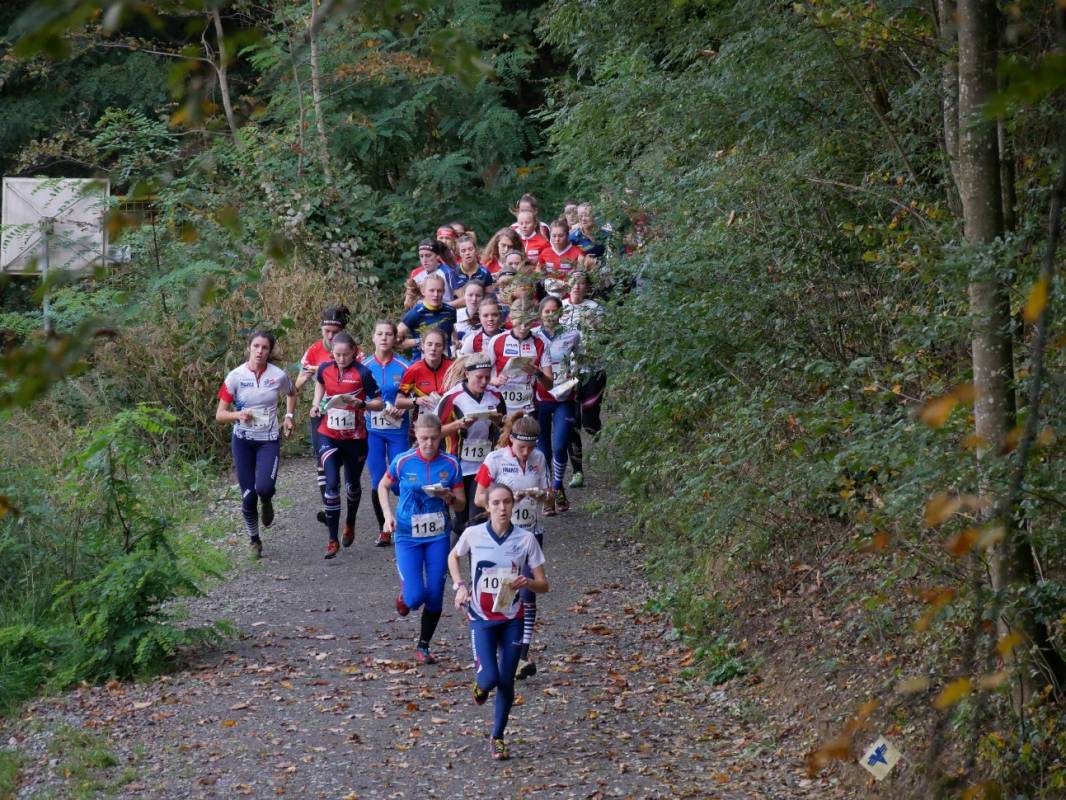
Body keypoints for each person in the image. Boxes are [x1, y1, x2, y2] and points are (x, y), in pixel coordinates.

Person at [448, 482, 548, 761]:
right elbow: (453, 557)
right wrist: (460, 587)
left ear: (513, 505)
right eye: (496, 503)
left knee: (506, 680)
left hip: (512, 618)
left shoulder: (526, 539)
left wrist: (527, 582)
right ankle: (480, 687)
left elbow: (544, 584)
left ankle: (498, 737)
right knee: (489, 678)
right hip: (481, 618)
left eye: (506, 502)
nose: (502, 508)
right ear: (487, 506)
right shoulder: (474, 534)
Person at [378, 412, 465, 664]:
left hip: (438, 535)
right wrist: (387, 516)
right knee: (416, 597)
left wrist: (449, 497)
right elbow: (383, 486)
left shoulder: (451, 464)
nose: (429, 444)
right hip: (408, 536)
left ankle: (424, 645)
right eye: (424, 438)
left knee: (435, 594)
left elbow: (461, 505)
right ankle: (405, 597)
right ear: (415, 435)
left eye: (434, 438)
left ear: (440, 437)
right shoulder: (403, 461)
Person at [474, 413, 549, 681]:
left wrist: (541, 496)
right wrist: (504, 500)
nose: (526, 452)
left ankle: (521, 656)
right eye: (521, 447)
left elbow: (550, 500)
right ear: (511, 440)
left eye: (531, 447)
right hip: (501, 535)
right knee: (503, 592)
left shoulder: (539, 459)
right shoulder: (495, 460)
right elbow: (479, 498)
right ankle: (497, 648)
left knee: (528, 590)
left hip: (530, 534)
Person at [216, 330, 296, 559]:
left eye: (265, 348)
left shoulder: (278, 375)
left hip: (268, 441)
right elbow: (220, 415)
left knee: (264, 489)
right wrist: (237, 415)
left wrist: (288, 416)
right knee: (248, 495)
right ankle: (254, 540)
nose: (260, 351)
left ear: (270, 351)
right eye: (256, 346)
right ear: (249, 347)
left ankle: (267, 501)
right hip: (243, 441)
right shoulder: (235, 377)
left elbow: (292, 392)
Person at [310, 332, 384, 559]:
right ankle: (332, 540)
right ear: (332, 353)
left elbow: (379, 403)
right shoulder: (324, 369)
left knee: (352, 486)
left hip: (355, 439)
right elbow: (320, 384)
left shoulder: (363, 373)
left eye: (345, 354)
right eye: (337, 355)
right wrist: (316, 404)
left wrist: (362, 404)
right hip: (328, 435)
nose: (341, 359)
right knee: (332, 485)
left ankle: (350, 522)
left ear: (354, 352)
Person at [436, 353, 505, 538]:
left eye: (488, 377)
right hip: (457, 465)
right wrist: (459, 425)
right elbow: (434, 432)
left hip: (483, 466)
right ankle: (455, 551)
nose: (484, 382)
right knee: (461, 522)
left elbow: (505, 428)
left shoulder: (495, 396)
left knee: (477, 519)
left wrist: (500, 423)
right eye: (479, 377)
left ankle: (475, 555)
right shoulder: (453, 397)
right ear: (467, 374)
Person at [295, 306, 351, 513]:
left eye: (335, 332)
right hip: (321, 411)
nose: (330, 336)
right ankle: (328, 506)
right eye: (326, 331)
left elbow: (358, 376)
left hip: (347, 411)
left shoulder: (352, 350)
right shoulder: (313, 350)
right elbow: (298, 382)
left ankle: (339, 496)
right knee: (322, 457)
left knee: (342, 459)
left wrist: (323, 369)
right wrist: (295, 386)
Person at [362, 320, 412, 547]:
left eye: (388, 334)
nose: (384, 338)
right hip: (373, 431)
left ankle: (408, 522)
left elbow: (414, 396)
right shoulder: (364, 366)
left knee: (399, 481)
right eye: (380, 334)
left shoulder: (404, 366)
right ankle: (384, 528)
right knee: (377, 480)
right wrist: (365, 405)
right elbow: (356, 395)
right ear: (373, 337)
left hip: (397, 431)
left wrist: (405, 407)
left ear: (395, 338)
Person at [533, 295, 581, 514]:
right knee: (544, 452)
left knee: (560, 446)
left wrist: (575, 378)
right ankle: (549, 495)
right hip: (540, 399)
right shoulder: (533, 335)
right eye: (547, 311)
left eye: (555, 311)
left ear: (562, 313)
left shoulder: (573, 334)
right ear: (540, 314)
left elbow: (582, 363)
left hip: (564, 397)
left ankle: (557, 486)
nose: (551, 315)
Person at [561, 273, 606, 488]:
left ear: (587, 287)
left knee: (588, 421)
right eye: (573, 282)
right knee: (572, 423)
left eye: (581, 283)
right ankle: (577, 471)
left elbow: (604, 336)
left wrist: (594, 326)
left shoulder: (595, 308)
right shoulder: (559, 307)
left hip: (592, 370)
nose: (577, 286)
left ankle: (596, 427)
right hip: (567, 374)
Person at [488, 300, 553, 416]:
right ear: (511, 318)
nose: (523, 328)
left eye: (528, 323)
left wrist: (538, 373)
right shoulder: (497, 340)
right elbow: (482, 375)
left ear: (533, 321)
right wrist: (495, 380)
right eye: (519, 323)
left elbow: (549, 385)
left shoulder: (541, 342)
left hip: (529, 407)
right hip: (501, 405)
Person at [398, 327, 454, 426]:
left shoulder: (452, 368)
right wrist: (416, 400)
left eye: (438, 345)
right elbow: (399, 402)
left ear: (443, 348)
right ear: (422, 346)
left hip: (448, 426)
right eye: (429, 344)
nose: (433, 348)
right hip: (422, 426)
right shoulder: (414, 370)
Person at [398, 273, 458, 359]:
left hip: (445, 361)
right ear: (423, 292)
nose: (436, 295)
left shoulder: (450, 311)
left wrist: (455, 340)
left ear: (444, 292)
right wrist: (418, 341)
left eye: (439, 291)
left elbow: (452, 328)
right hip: (420, 362)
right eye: (432, 290)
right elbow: (395, 339)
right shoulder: (415, 313)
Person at [538, 218, 585, 298]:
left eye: (561, 235)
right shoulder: (545, 252)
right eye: (554, 236)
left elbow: (581, 275)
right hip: (550, 294)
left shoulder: (578, 252)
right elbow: (538, 271)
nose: (557, 239)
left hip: (571, 294)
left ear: (567, 235)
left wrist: (570, 282)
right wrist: (544, 281)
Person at [409, 239, 458, 305]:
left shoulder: (448, 272)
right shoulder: (415, 273)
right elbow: (407, 303)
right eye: (421, 256)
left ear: (438, 257)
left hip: (444, 310)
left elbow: (463, 299)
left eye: (428, 256)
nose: (424, 260)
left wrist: (442, 307)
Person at [454, 280, 485, 347]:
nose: (474, 299)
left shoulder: (488, 316)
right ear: (464, 295)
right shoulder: (454, 315)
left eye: (478, 295)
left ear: (483, 297)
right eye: (470, 295)